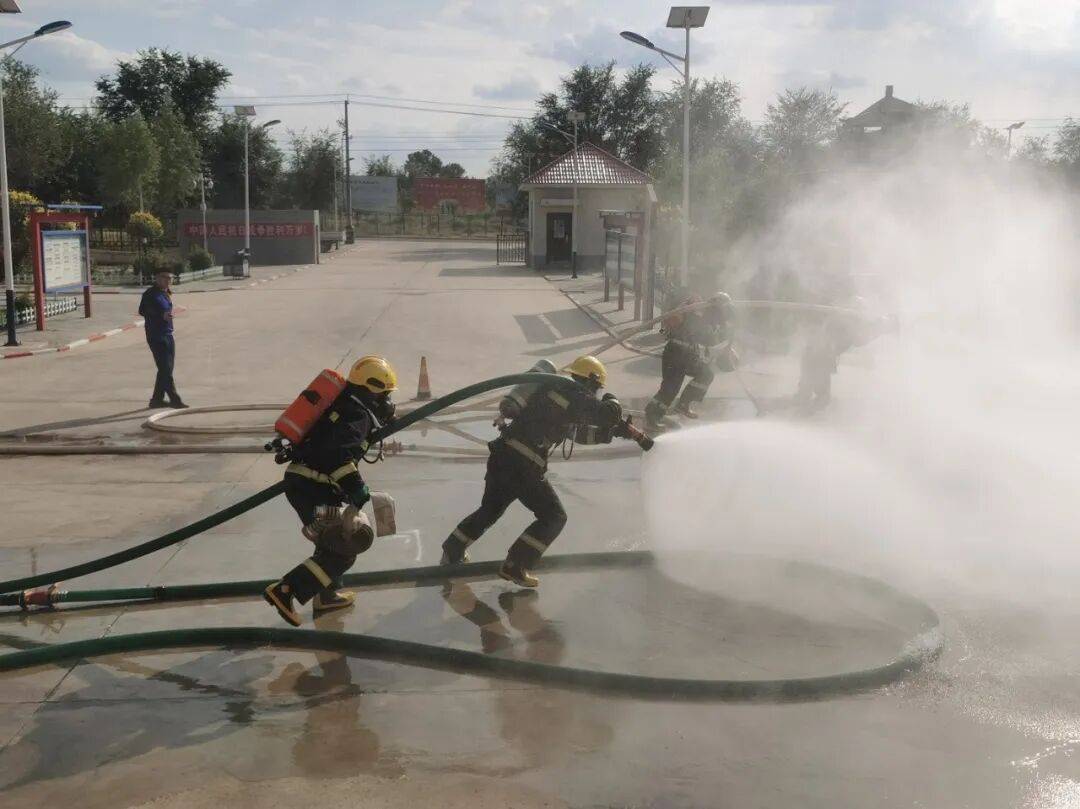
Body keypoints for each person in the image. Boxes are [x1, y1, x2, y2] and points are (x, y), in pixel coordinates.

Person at [440, 355, 648, 588]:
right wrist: (612, 401)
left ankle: (453, 548)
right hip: (524, 464)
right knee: (554, 516)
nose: (596, 394)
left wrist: (613, 433)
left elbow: (576, 434)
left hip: (503, 455)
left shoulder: (552, 391)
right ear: (590, 380)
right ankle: (515, 565)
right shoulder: (575, 394)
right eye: (597, 388)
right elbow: (608, 414)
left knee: (490, 509)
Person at [264, 355, 398, 626]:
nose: (388, 402)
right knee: (346, 548)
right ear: (372, 390)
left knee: (329, 540)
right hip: (314, 487)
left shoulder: (343, 405)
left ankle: (327, 596)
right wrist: (357, 489)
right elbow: (337, 456)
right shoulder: (358, 415)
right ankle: (286, 590)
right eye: (385, 395)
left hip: (304, 483)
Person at [645, 291, 735, 429]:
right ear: (716, 307)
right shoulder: (694, 309)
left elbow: (710, 341)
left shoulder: (710, 321)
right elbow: (670, 321)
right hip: (675, 352)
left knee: (706, 374)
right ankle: (652, 417)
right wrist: (686, 305)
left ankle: (683, 404)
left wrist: (727, 348)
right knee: (670, 389)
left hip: (689, 355)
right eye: (723, 310)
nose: (723, 315)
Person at [139, 270, 186, 409]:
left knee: (166, 368)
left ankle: (156, 400)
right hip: (156, 335)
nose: (168, 280)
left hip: (168, 333)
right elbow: (143, 311)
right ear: (157, 278)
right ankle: (174, 399)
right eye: (165, 278)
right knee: (165, 368)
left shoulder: (165, 293)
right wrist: (161, 315)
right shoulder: (150, 294)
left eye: (170, 278)